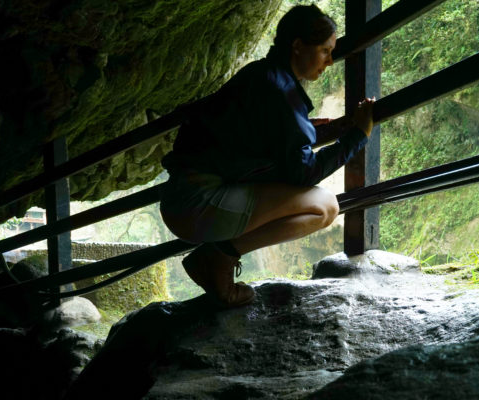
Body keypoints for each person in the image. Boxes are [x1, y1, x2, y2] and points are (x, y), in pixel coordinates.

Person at [160, 4, 375, 308]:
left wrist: (335, 129)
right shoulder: (282, 94)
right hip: (199, 205)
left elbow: (272, 137)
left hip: (184, 197)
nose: (329, 61)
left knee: (320, 203)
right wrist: (359, 136)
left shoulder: (262, 74)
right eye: (325, 51)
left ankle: (217, 256)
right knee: (325, 207)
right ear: (298, 46)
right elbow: (303, 173)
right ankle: (218, 258)